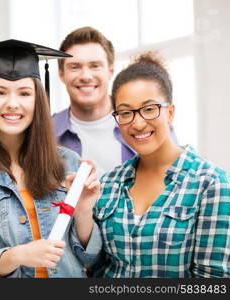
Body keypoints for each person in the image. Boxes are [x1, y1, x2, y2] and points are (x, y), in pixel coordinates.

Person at [0, 39, 102, 278]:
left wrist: (84, 211)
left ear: (38, 100)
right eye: (0, 92)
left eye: (24, 93)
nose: (12, 104)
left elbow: (91, 259)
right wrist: (18, 255)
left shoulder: (69, 163)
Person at [93, 52, 230, 277]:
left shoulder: (211, 184)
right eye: (126, 112)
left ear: (170, 112)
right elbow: (96, 267)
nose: (137, 123)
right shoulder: (108, 183)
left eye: (149, 109)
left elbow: (213, 280)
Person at [53, 27, 135, 178]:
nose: (85, 76)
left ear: (110, 71)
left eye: (95, 66)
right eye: (74, 67)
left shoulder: (142, 124)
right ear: (61, 75)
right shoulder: (46, 132)